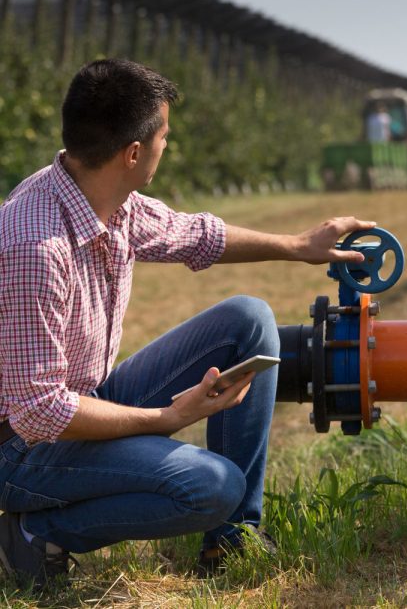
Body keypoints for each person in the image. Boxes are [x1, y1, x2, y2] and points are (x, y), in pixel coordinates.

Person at [0, 58, 374, 589]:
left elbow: (195, 234)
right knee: (211, 486)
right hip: (18, 448)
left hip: (86, 395)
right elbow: (38, 412)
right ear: (134, 153)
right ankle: (37, 535)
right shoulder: (35, 246)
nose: (166, 146)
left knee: (248, 318)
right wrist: (163, 418)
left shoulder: (107, 199)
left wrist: (298, 247)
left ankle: (231, 538)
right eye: (164, 136)